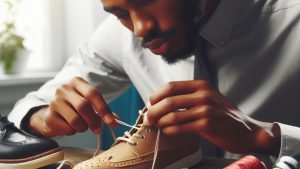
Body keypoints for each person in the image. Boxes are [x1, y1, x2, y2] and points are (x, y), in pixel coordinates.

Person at [8, 0, 300, 162]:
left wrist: (265, 137)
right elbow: (29, 107)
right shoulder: (120, 35)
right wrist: (47, 118)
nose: (139, 28)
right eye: (120, 13)